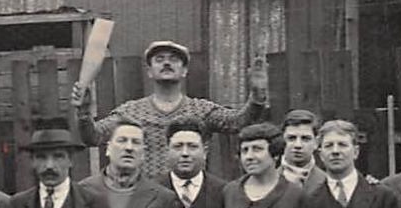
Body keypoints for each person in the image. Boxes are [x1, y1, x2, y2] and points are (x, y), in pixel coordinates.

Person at [71, 41, 269, 180]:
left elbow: (239, 122)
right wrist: (84, 113)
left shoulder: (201, 109)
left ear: (184, 71)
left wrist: (257, 94)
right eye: (159, 59)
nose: (166, 63)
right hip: (145, 199)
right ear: (149, 71)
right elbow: (93, 137)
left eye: (174, 59)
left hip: (188, 198)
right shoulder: (131, 112)